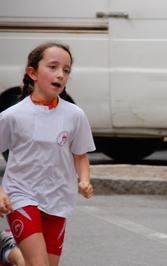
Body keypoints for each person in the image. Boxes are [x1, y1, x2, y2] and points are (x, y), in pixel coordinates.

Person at [0, 42, 96, 266]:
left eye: (66, 70)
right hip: (21, 197)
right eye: (52, 67)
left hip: (59, 199)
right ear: (32, 73)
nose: (60, 75)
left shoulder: (75, 115)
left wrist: (85, 180)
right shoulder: (13, 116)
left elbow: (80, 155)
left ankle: (9, 250)